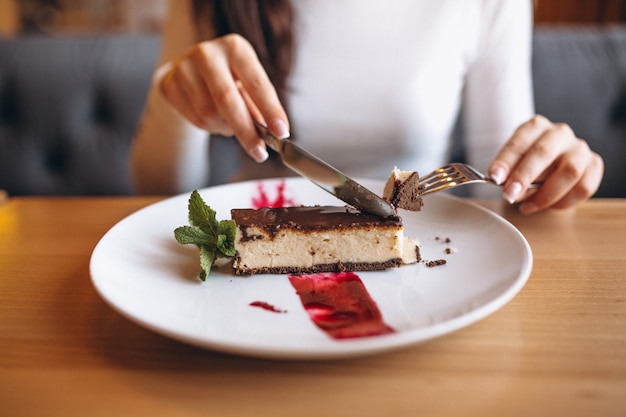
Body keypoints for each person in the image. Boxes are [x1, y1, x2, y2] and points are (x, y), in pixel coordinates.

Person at [130, 0, 604, 215]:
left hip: (424, 262)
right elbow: (155, 192)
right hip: (250, 258)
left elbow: (496, 192)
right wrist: (175, 99)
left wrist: (539, 177)